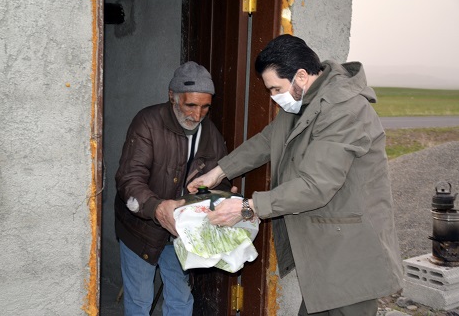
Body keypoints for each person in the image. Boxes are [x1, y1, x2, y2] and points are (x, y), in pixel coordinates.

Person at [187, 35, 404, 315]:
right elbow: (268, 140)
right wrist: (219, 172)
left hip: (350, 253)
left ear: (301, 76)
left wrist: (247, 208)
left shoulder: (345, 110)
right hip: (326, 250)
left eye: (275, 88)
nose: (273, 97)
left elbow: (315, 186)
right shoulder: (305, 101)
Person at [114, 61, 232, 316]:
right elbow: (129, 179)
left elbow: (220, 180)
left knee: (180, 300)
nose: (197, 115)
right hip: (140, 228)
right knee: (139, 302)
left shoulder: (210, 132)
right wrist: (157, 208)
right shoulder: (147, 122)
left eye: (205, 107)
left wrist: (214, 196)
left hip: (181, 232)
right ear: (172, 96)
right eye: (190, 105)